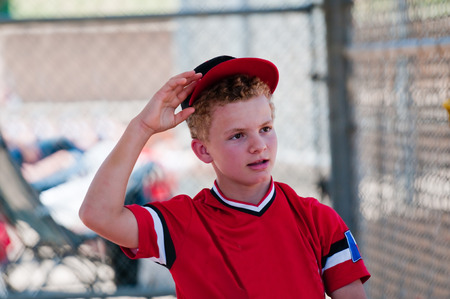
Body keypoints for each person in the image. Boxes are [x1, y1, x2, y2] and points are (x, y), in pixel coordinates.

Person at [79, 56, 370, 298]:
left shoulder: (317, 219)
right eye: (238, 135)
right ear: (203, 151)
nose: (259, 145)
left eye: (265, 128)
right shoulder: (182, 222)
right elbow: (97, 214)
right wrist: (142, 126)